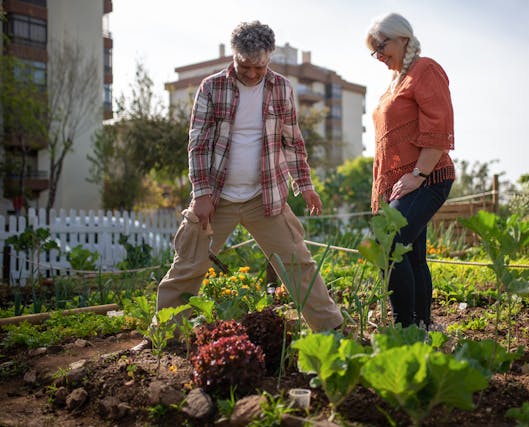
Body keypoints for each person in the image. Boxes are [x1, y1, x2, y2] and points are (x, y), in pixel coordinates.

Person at [132, 21, 343, 352]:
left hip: (265, 198)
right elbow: (198, 144)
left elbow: (292, 142)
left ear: (269, 58)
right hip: (217, 199)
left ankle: (330, 329)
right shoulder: (212, 87)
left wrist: (305, 185)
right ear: (235, 57)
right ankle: (162, 335)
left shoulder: (282, 88)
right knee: (189, 264)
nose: (254, 73)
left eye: (261, 66)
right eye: (246, 66)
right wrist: (201, 195)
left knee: (297, 263)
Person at [365, 13, 455, 329]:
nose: (377, 55)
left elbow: (438, 123)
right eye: (372, 50)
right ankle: (422, 326)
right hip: (404, 182)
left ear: (402, 37)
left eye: (381, 46)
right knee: (411, 255)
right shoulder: (396, 81)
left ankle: (406, 328)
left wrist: (417, 174)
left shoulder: (424, 69)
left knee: (387, 244)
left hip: (427, 177)